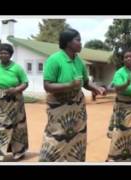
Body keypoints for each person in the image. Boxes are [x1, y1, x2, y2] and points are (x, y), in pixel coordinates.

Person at [39, 28, 106, 162]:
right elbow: (47, 86)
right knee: (57, 137)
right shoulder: (54, 60)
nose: (81, 43)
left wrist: (96, 88)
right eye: (78, 40)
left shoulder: (79, 61)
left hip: (77, 108)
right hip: (59, 107)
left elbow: (86, 82)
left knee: (78, 136)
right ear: (68, 43)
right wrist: (69, 85)